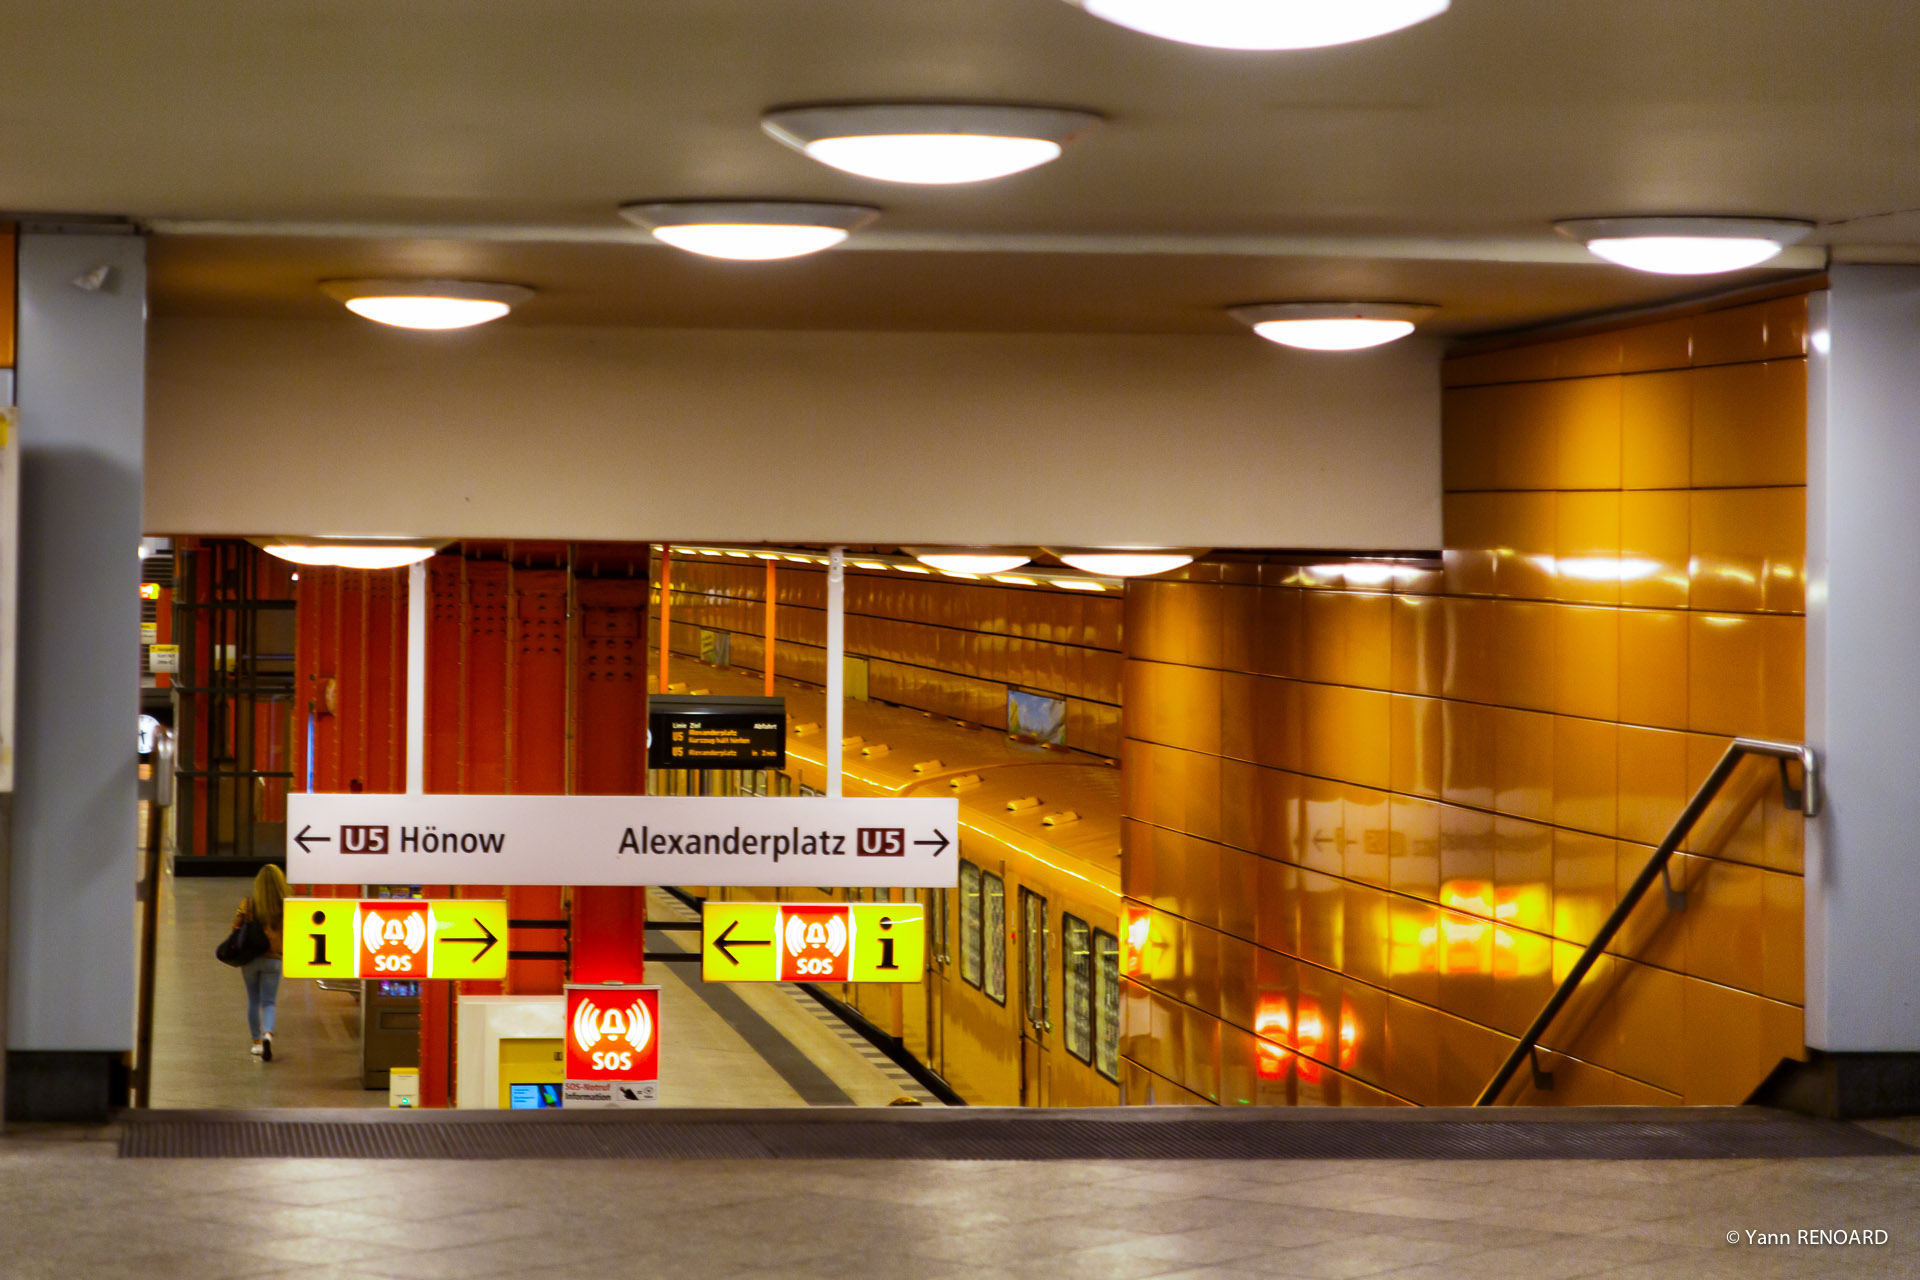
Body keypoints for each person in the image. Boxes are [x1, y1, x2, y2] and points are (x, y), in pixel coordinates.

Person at [234, 864, 288, 1060]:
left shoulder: (248, 904)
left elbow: (236, 926)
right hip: (273, 959)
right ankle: (268, 1035)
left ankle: (256, 1042)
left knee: (253, 1000)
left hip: (250, 958)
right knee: (269, 1002)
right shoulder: (284, 906)